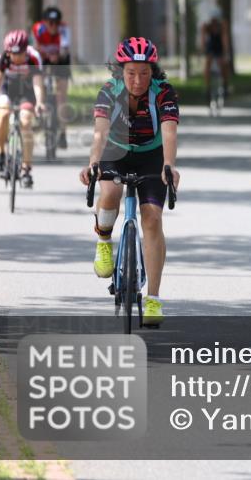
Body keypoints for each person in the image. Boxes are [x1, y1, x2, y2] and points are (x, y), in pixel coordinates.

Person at [78, 37, 181, 326]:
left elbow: (170, 132)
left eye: (145, 73)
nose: (138, 80)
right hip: (115, 150)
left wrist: (169, 166)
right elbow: (100, 131)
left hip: (152, 154)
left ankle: (153, 299)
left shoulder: (164, 93)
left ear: (154, 70)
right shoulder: (110, 91)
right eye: (131, 72)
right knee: (109, 191)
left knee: (152, 219)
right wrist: (93, 163)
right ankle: (103, 241)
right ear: (120, 70)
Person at [0, 30, 45, 187]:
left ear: (26, 50)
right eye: (13, 54)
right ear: (8, 51)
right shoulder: (4, 58)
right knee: (3, 113)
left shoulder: (33, 57)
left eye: (20, 54)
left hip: (27, 91)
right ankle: (0, 153)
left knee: (26, 122)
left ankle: (26, 168)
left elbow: (38, 84)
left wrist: (39, 102)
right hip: (9, 89)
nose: (16, 58)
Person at [30, 6, 72, 148]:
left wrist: (58, 56)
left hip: (60, 60)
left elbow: (65, 50)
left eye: (56, 22)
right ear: (45, 22)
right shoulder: (38, 29)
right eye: (50, 22)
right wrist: (46, 55)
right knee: (38, 81)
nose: (53, 26)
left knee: (61, 97)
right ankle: (39, 109)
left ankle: (62, 133)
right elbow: (34, 48)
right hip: (43, 58)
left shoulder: (64, 29)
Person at [199, 7, 231, 101]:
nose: (214, 23)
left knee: (223, 63)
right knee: (208, 63)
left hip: (220, 44)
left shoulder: (223, 25)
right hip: (211, 44)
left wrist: (225, 52)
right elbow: (203, 39)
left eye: (216, 21)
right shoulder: (206, 25)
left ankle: (225, 85)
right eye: (212, 21)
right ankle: (208, 88)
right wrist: (203, 50)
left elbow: (224, 39)